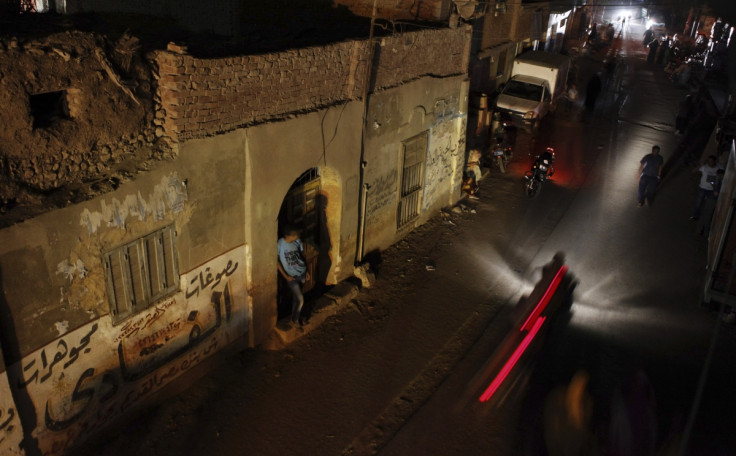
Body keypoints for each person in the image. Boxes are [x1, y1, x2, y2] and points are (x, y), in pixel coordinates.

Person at [277, 224, 308, 327]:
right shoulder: (280, 244)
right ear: (288, 236)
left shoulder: (297, 241)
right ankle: (295, 320)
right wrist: (285, 276)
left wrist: (306, 270)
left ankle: (295, 318)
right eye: (295, 235)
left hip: (301, 272)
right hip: (291, 277)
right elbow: (276, 261)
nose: (297, 236)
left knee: (297, 298)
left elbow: (302, 255)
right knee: (300, 299)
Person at [691, 155, 723, 220]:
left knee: (708, 206)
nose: (709, 163)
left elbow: (722, 175)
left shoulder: (719, 168)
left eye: (711, 161)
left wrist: (715, 186)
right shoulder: (704, 167)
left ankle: (705, 218)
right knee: (698, 204)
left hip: (711, 190)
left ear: (714, 161)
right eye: (708, 161)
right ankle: (695, 216)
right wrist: (701, 164)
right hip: (702, 188)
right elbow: (693, 171)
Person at [696, 168, 724, 236]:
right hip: (712, 200)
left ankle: (700, 230)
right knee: (707, 216)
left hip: (711, 199)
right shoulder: (720, 181)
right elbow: (716, 192)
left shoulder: (720, 181)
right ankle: (704, 232)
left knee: (705, 215)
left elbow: (715, 192)